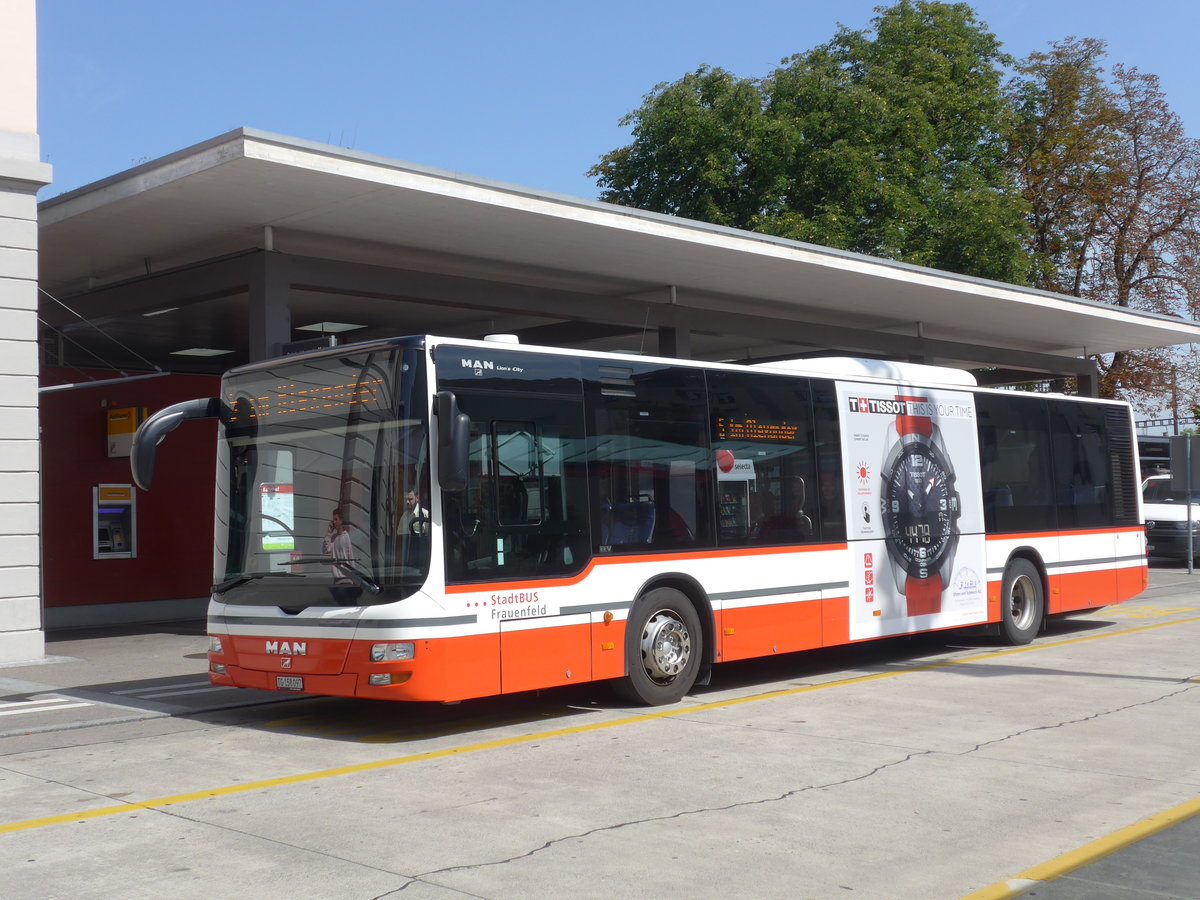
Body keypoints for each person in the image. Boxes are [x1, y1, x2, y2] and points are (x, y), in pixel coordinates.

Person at [322, 506, 354, 583]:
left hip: (346, 578)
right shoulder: (333, 538)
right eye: (333, 519)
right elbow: (325, 550)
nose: (334, 522)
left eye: (336, 519)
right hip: (336, 579)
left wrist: (354, 577)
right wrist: (329, 533)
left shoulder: (346, 537)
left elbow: (350, 557)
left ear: (341, 521)